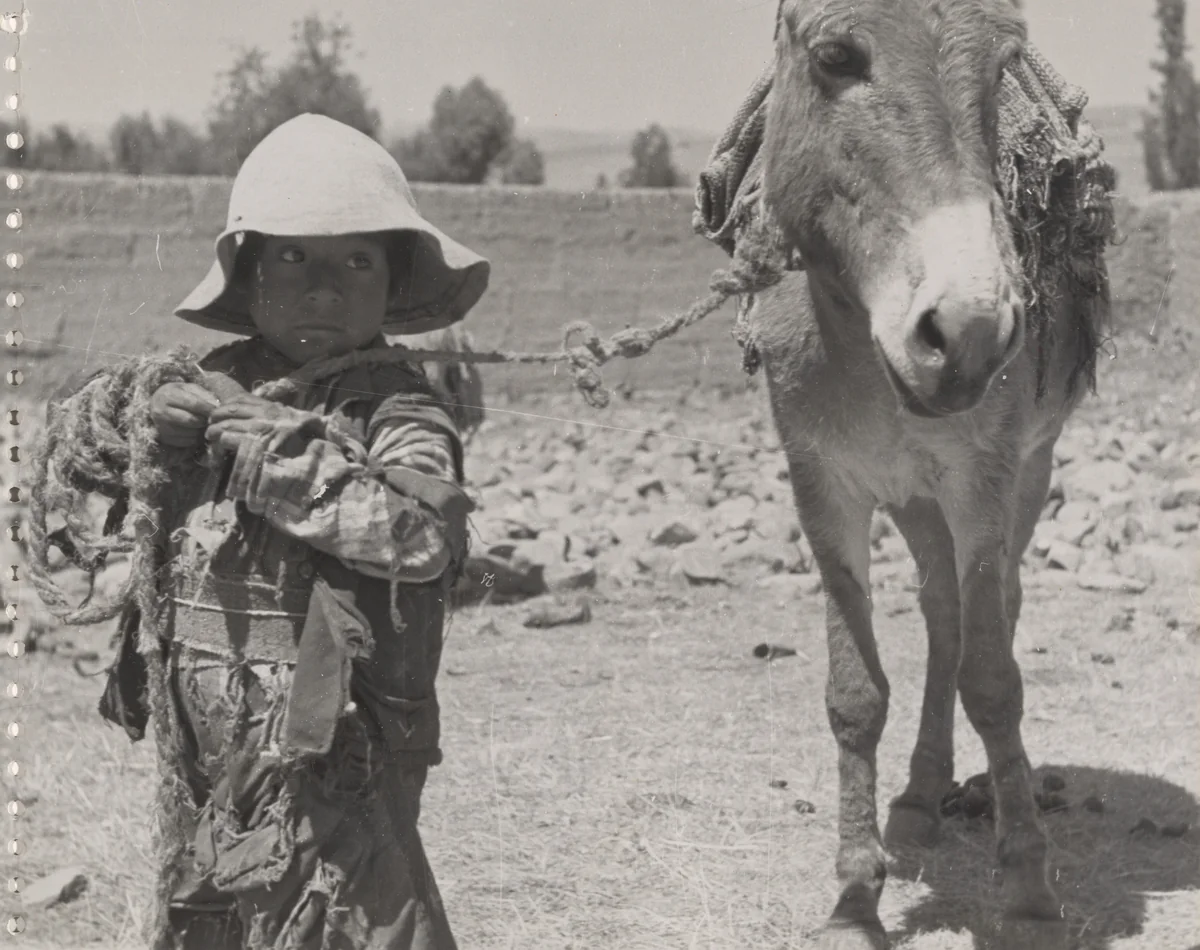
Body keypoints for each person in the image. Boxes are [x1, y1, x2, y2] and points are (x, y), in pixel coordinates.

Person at [56, 113, 490, 949]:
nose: (324, 286)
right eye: (293, 256)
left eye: (357, 261)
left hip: (334, 739)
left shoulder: (399, 407)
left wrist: (283, 464)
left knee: (347, 915)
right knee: (211, 908)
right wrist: (152, 427)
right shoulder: (204, 383)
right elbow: (92, 467)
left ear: (393, 278)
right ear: (249, 271)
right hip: (204, 728)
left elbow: (423, 538)